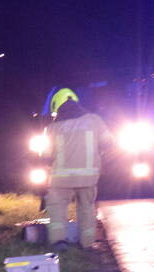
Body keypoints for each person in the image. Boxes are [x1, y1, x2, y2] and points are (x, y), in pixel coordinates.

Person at [45, 88, 113, 249]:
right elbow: (109, 143)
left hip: (60, 180)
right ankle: (87, 243)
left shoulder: (53, 128)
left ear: (57, 106)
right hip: (88, 177)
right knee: (86, 209)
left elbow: (46, 156)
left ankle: (59, 242)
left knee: (57, 209)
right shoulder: (95, 121)